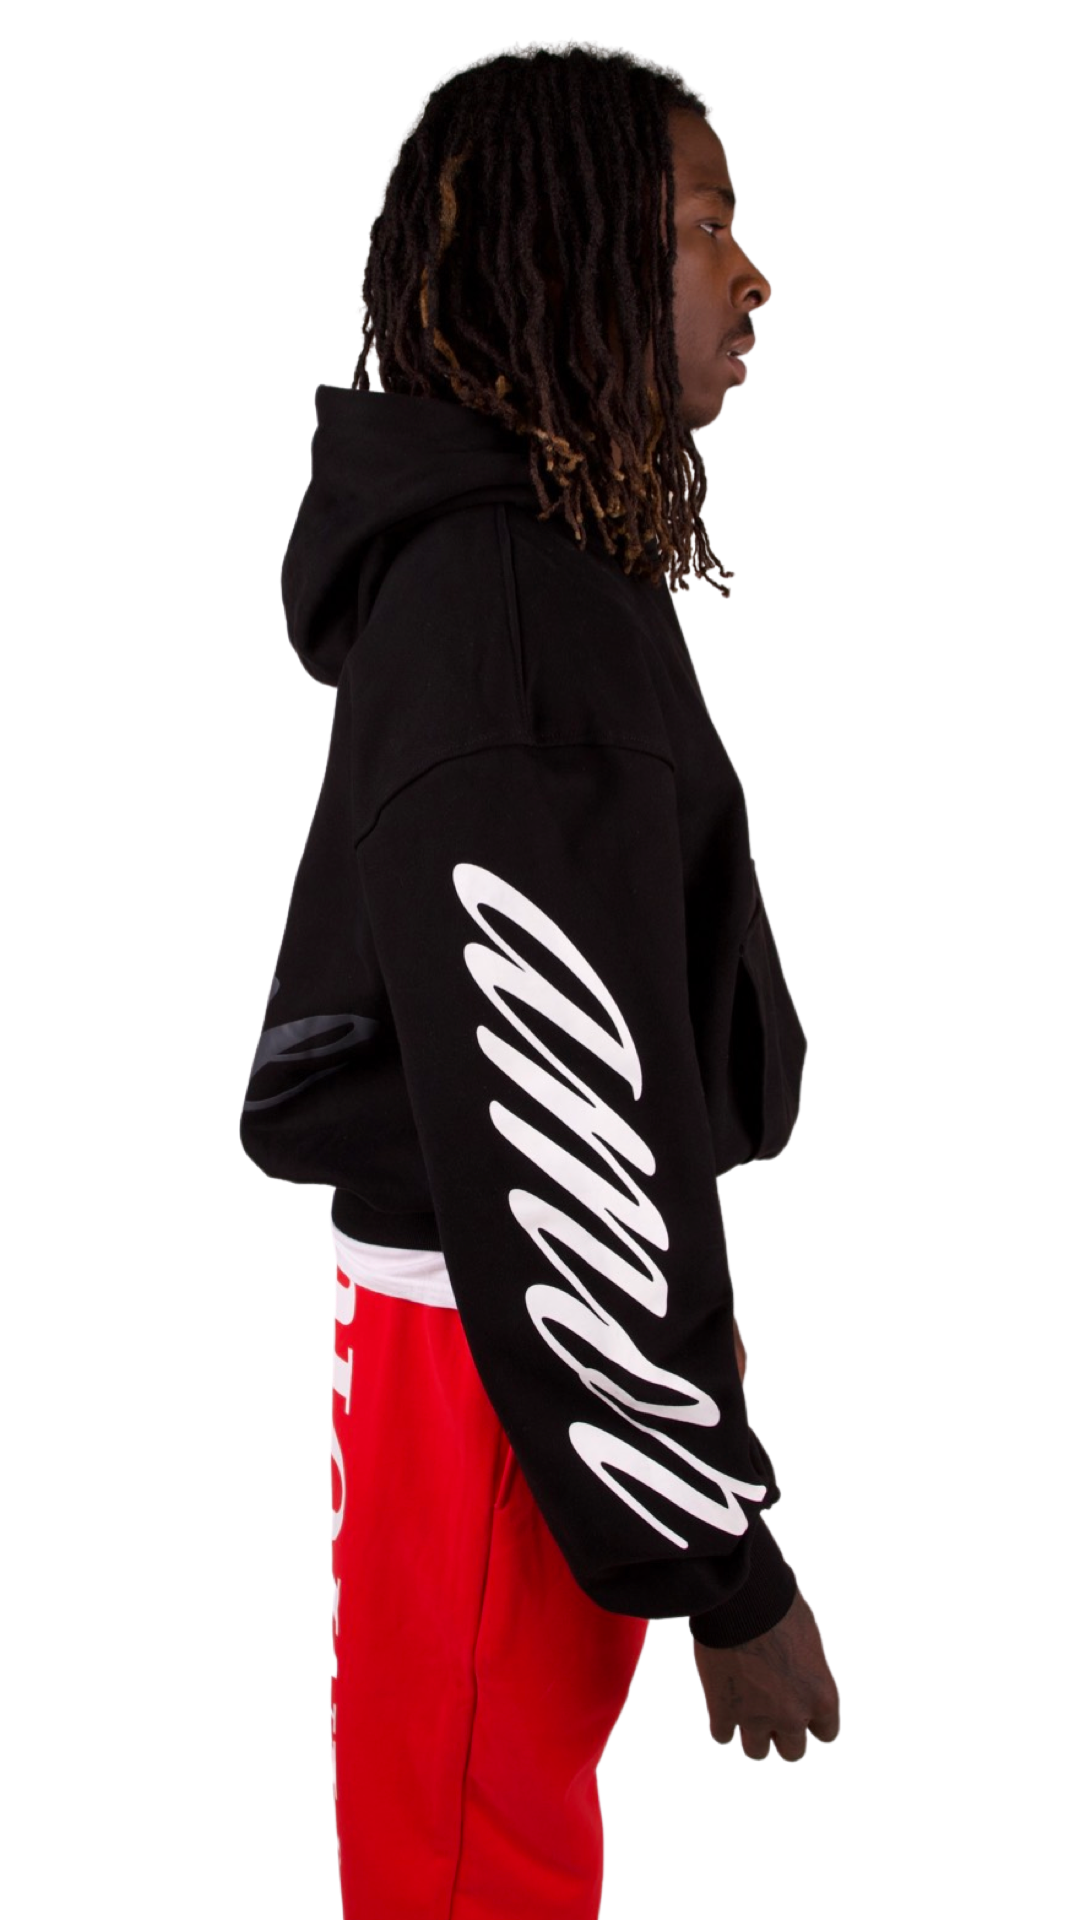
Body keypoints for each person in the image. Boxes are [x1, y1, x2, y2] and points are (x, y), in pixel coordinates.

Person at [239, 40, 840, 1920]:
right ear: (574, 257)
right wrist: (725, 1563)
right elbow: (549, 1131)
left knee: (468, 1852)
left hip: (511, 1356)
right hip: (502, 1382)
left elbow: (593, 1068)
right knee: (464, 1876)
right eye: (706, 226)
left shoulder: (541, 569)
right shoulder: (502, 611)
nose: (751, 276)